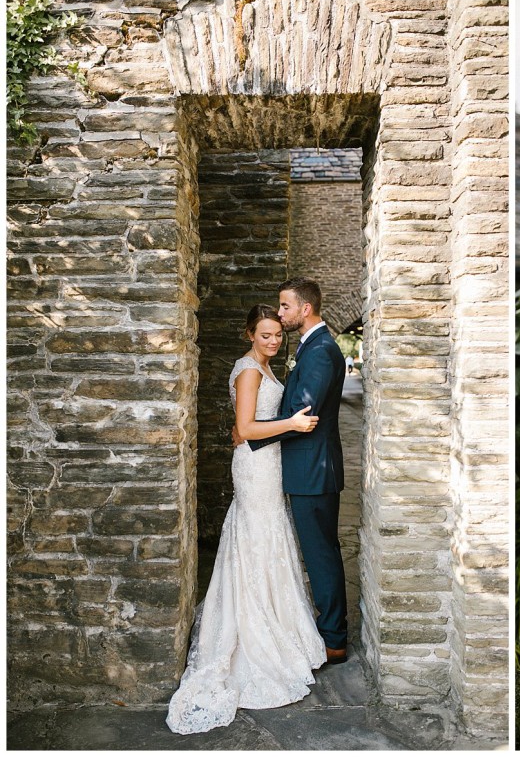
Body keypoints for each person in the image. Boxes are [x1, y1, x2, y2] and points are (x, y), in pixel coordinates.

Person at [167, 305, 326, 735]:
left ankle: (277, 619)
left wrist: (271, 425)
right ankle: (256, 629)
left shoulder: (262, 366)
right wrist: (290, 422)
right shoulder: (250, 371)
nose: (273, 341)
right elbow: (246, 427)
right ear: (249, 335)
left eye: (277, 335)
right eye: (265, 335)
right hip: (256, 466)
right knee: (258, 535)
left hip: (268, 463)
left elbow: (246, 426)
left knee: (269, 535)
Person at [247, 277, 350, 665]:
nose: (281, 313)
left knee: (321, 554)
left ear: (305, 309)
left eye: (285, 307)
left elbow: (302, 413)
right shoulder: (311, 348)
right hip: (307, 467)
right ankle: (330, 630)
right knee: (319, 551)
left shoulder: (321, 351)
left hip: (313, 469)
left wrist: (251, 434)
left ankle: (334, 639)